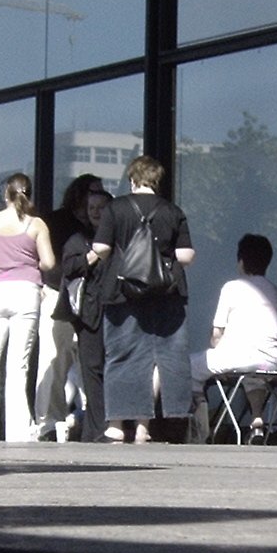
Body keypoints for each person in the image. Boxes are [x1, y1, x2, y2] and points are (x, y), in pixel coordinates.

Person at [90, 154, 196, 444]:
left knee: (122, 355)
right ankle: (143, 427)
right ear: (157, 180)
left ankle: (115, 424)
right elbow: (186, 256)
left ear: (132, 178)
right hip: (166, 293)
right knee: (160, 357)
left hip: (122, 292)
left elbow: (101, 247)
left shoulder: (116, 208)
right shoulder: (173, 211)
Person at [0, 173, 57, 442]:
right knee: (17, 366)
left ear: (6, 194)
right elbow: (48, 262)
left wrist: (1, 263)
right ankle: (18, 431)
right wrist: (28, 262)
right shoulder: (35, 225)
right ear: (29, 195)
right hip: (26, 292)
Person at [194, 234, 277, 440]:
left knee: (189, 367)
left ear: (241, 261)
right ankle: (257, 421)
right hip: (270, 361)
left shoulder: (232, 287)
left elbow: (217, 334)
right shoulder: (274, 291)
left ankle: (200, 428)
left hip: (237, 357)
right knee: (253, 374)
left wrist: (218, 348)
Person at [35, 175, 106, 435]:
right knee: (55, 358)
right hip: (58, 294)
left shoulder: (102, 225)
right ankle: (48, 422)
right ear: (80, 193)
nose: (97, 197)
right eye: (93, 192)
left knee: (92, 362)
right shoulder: (57, 221)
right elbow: (44, 258)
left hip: (93, 301)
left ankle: (92, 421)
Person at [52, 187, 111, 441]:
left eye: (101, 207)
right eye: (91, 208)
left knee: (116, 369)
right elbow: (68, 266)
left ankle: (120, 423)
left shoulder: (121, 239)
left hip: (117, 312)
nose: (96, 212)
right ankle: (96, 429)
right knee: (92, 370)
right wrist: (93, 255)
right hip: (88, 315)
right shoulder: (79, 240)